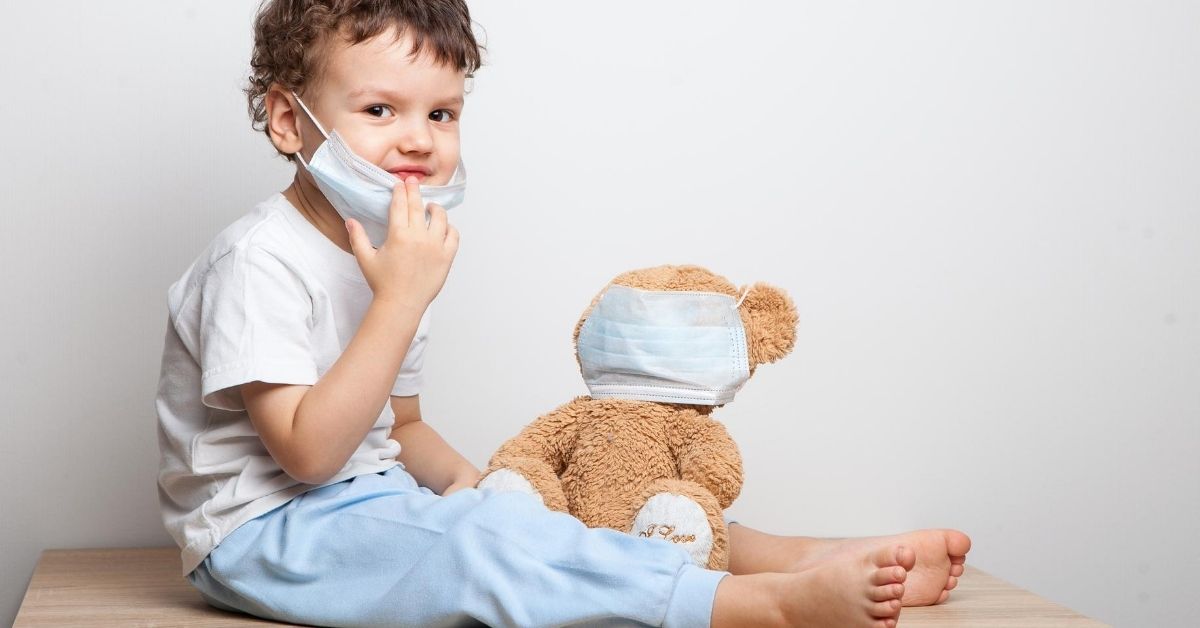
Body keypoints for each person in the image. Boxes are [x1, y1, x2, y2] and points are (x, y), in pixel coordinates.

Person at [155, 1, 970, 626]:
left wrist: (480, 488)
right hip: (267, 535)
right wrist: (402, 300)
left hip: (372, 502)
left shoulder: (395, 249)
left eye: (440, 113)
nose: (419, 139)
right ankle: (755, 608)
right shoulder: (257, 262)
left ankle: (802, 557)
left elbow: (401, 427)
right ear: (290, 121)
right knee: (482, 549)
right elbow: (307, 455)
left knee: (553, 507)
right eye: (379, 111)